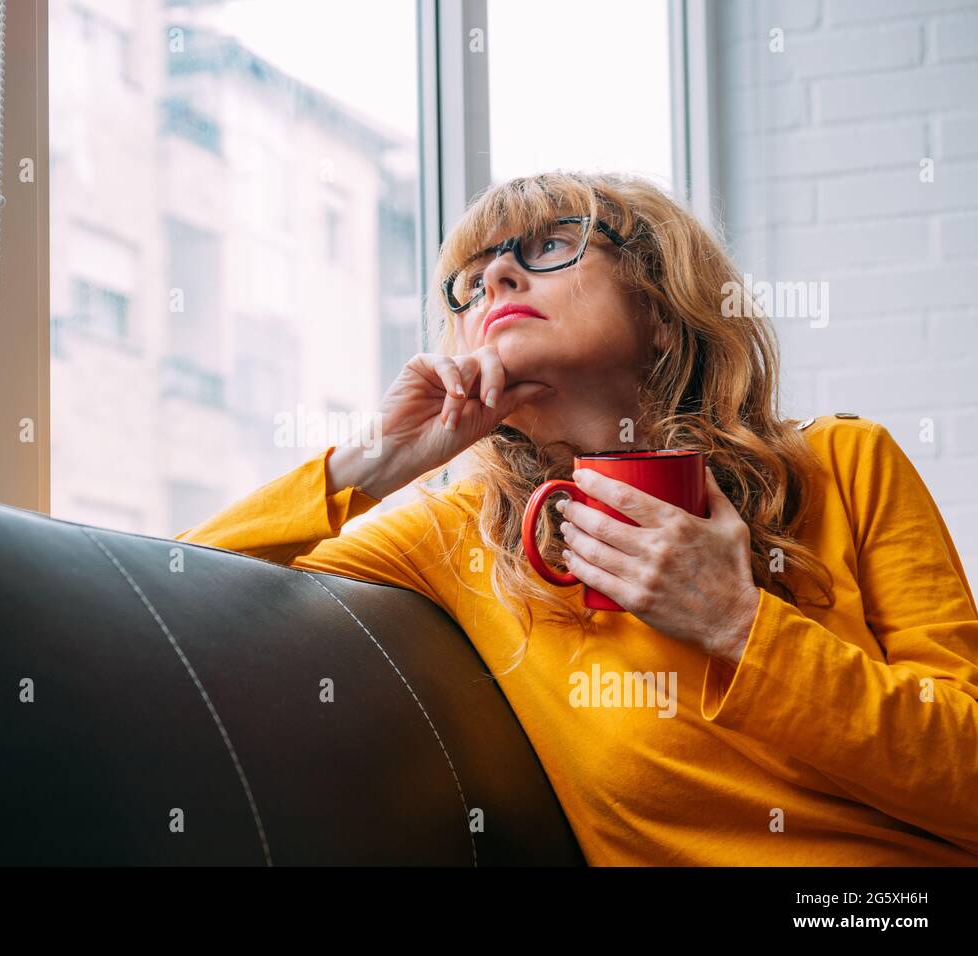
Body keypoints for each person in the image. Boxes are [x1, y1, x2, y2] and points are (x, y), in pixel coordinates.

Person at [176, 170, 978, 866]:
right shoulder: (465, 533)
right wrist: (375, 462)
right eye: (471, 279)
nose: (494, 281)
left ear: (663, 310)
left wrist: (739, 624)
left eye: (546, 247)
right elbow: (171, 596)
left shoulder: (843, 463)